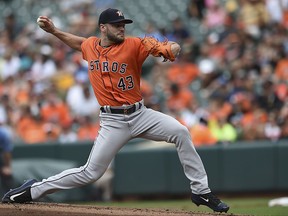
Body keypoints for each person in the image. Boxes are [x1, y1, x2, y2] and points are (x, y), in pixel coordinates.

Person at [2, 8, 229, 213]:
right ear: (103, 28)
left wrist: (171, 47)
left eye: (123, 24)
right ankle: (32, 191)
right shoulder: (91, 45)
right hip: (113, 122)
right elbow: (78, 43)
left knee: (181, 132)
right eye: (116, 24)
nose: (122, 28)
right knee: (91, 172)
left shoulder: (133, 45)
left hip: (141, 114)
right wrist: (54, 31)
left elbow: (166, 47)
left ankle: (201, 191)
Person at [0, 124, 14, 196]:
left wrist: (7, 166)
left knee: (7, 177)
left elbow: (7, 152)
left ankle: (9, 197)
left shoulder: (3, 133)